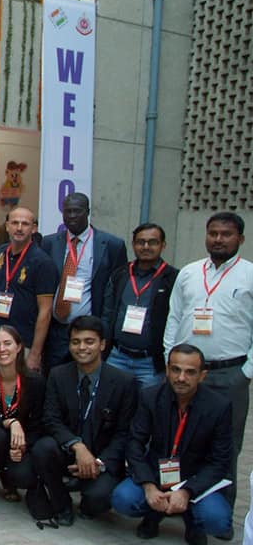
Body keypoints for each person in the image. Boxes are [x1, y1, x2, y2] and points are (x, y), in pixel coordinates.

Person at [163, 211, 252, 520]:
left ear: (240, 239)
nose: (218, 239)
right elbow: (174, 317)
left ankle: (220, 512)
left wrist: (246, 372)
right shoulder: (188, 272)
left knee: (225, 445)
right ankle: (168, 502)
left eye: (226, 234)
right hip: (183, 373)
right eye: (213, 233)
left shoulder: (249, 275)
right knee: (174, 436)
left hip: (230, 373)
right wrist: (168, 359)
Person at [111, 344, 233, 545]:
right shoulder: (150, 397)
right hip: (156, 474)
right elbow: (134, 444)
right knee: (122, 499)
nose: (181, 378)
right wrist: (148, 485)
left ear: (202, 375)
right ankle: (153, 513)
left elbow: (220, 461)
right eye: (176, 370)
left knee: (218, 520)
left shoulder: (219, 406)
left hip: (195, 478)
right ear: (167, 370)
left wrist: (186, 491)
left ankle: (193, 522)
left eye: (190, 372)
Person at [31, 315, 136, 526]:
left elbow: (124, 433)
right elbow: (51, 419)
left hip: (101, 459)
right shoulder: (58, 375)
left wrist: (98, 463)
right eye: (75, 342)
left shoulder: (124, 382)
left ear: (103, 344)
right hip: (68, 452)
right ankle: (61, 504)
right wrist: (77, 446)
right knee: (43, 448)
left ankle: (88, 500)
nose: (82, 348)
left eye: (89, 342)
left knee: (99, 499)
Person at [41, 193, 128, 374]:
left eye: (77, 211)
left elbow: (117, 292)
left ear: (87, 212)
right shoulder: (49, 243)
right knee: (55, 382)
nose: (72, 216)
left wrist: (104, 330)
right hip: (56, 332)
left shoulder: (112, 245)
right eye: (67, 211)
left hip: (89, 331)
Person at [0, 325, 47, 518]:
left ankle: (9, 478)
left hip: (20, 442)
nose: (2, 349)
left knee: (24, 476)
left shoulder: (35, 382)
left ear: (19, 347)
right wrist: (11, 423)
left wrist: (23, 446)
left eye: (7, 343)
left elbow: (38, 424)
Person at [101, 223, 178, 388]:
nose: (146, 246)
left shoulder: (173, 278)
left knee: (148, 409)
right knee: (112, 407)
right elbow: (107, 313)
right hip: (117, 357)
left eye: (153, 242)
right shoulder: (120, 274)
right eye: (140, 242)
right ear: (133, 244)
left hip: (150, 362)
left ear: (163, 245)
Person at [0, 207, 58, 372]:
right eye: (15, 223)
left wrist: (35, 353)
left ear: (34, 228)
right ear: (7, 226)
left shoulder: (43, 262)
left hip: (24, 342)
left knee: (22, 392)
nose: (19, 228)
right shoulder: (0, 253)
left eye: (25, 224)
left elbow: (45, 311)